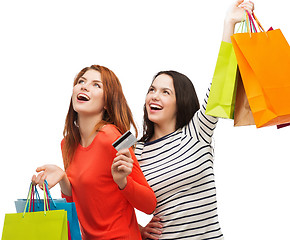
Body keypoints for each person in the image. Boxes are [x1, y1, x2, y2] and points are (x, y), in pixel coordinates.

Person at [135, 1, 254, 239]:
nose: (154, 96)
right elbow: (107, 199)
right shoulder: (136, 151)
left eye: (165, 92)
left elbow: (220, 83)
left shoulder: (197, 132)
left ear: (181, 101)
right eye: (152, 89)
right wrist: (138, 229)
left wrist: (229, 23)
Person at [32, 65, 157, 240]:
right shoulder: (67, 144)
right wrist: (62, 179)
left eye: (96, 85)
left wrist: (122, 181)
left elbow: (149, 204)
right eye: (81, 81)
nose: (84, 86)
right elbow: (78, 206)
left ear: (107, 102)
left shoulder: (111, 137)